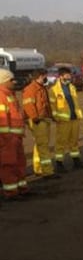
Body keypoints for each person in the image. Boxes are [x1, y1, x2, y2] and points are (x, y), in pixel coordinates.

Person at [22, 69, 58, 180]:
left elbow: (46, 104)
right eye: (44, 76)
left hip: (44, 119)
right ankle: (47, 171)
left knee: (40, 144)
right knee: (43, 145)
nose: (46, 78)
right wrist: (35, 118)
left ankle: (38, 168)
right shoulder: (31, 89)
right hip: (38, 120)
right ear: (39, 76)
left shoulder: (41, 88)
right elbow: (28, 105)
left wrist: (51, 116)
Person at [49, 66, 83, 171]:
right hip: (63, 120)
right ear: (61, 76)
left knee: (74, 141)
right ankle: (59, 163)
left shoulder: (72, 87)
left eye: (70, 75)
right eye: (67, 75)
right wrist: (56, 117)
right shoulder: (53, 90)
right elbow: (52, 105)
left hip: (74, 118)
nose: (69, 77)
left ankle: (76, 161)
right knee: (61, 142)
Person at [0, 69, 28, 199]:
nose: (14, 82)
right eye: (11, 79)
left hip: (15, 138)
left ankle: (21, 187)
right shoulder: (1, 96)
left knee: (19, 162)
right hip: (7, 139)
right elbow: (2, 119)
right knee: (8, 164)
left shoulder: (10, 94)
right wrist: (6, 138)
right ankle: (11, 192)